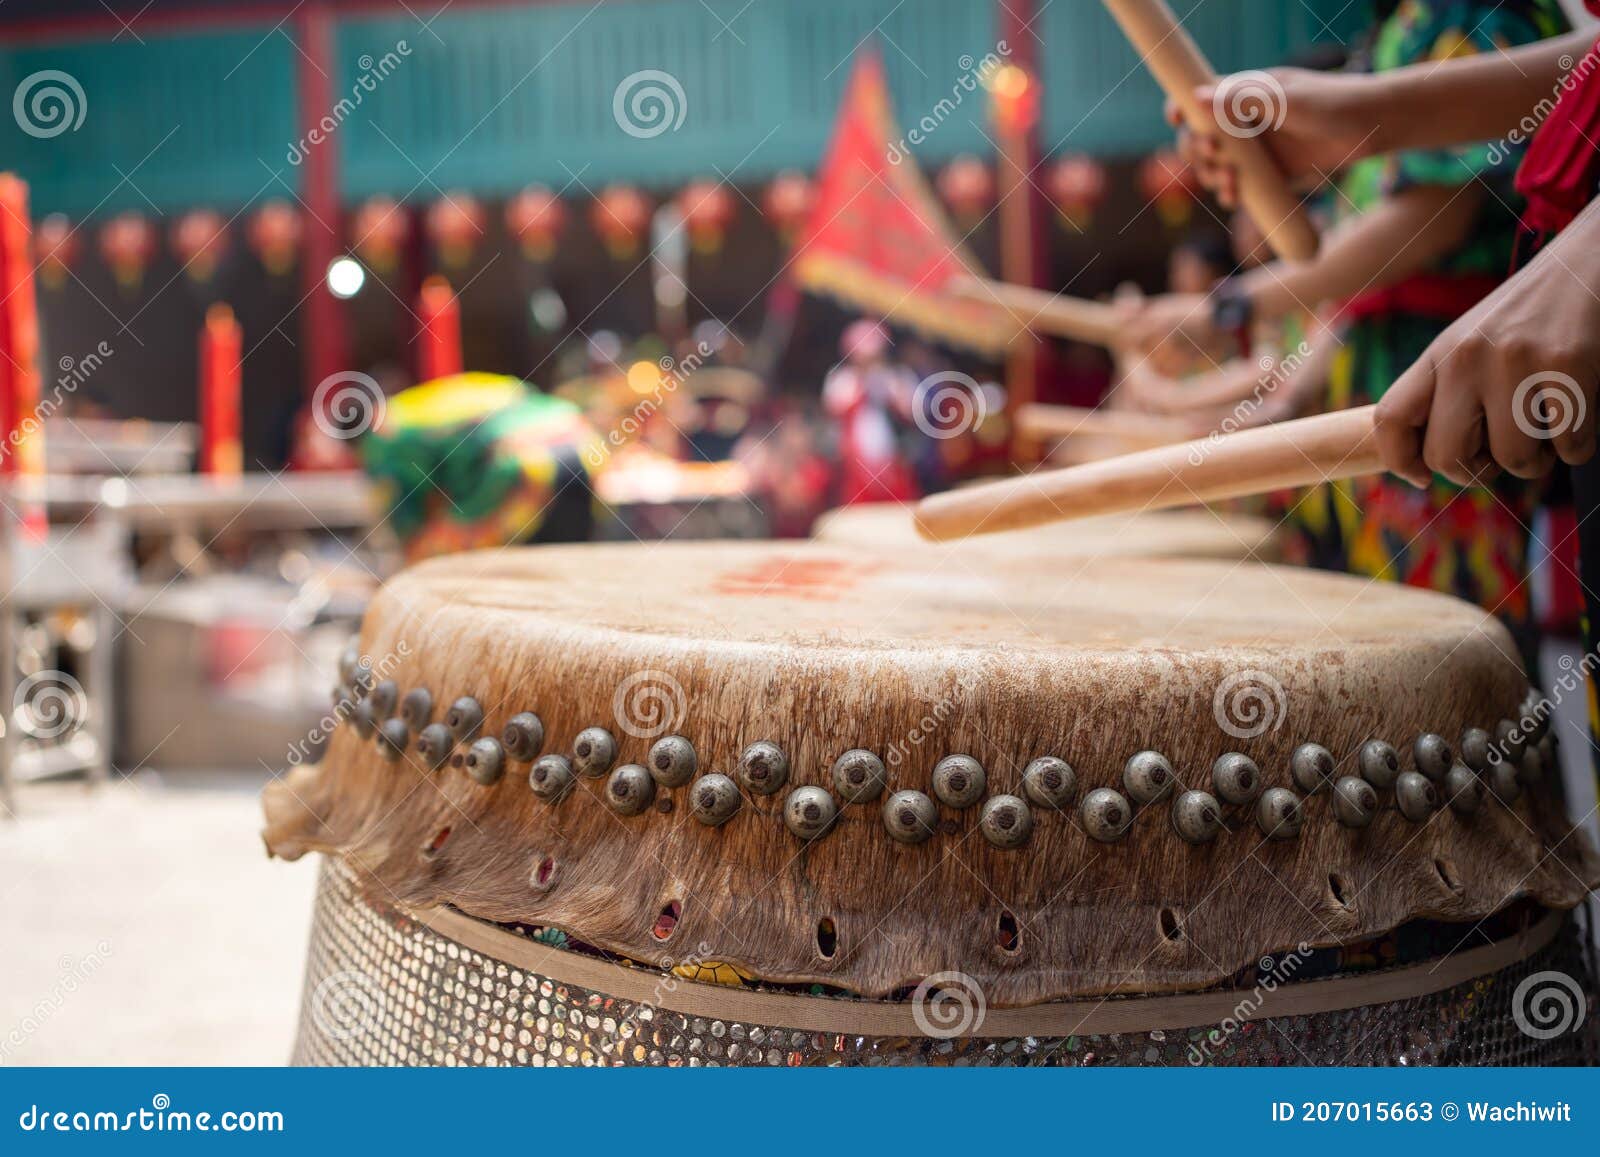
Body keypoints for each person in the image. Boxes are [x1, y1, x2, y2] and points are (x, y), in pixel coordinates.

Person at [1124, 0, 1572, 635]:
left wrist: (1230, 307)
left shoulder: (1477, 10)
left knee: (1449, 662)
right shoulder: (1390, 35)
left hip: (1451, 405)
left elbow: (1429, 222)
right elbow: (1347, 289)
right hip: (1370, 414)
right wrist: (1282, 395)